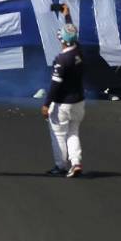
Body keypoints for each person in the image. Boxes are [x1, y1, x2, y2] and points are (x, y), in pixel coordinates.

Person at [42, 23, 85, 177]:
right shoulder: (79, 52)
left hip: (63, 104)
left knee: (58, 134)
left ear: (62, 41)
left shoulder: (63, 59)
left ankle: (60, 166)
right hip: (79, 102)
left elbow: (55, 84)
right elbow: (72, 34)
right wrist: (67, 16)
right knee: (73, 133)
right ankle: (76, 162)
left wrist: (46, 104)